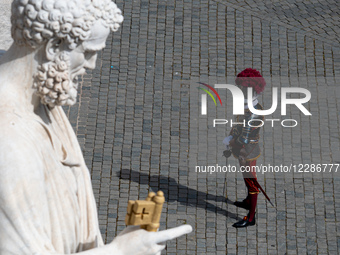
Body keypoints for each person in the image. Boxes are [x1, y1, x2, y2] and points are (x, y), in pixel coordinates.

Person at [0, 0, 192, 254]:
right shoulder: (10, 147)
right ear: (54, 46)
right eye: (88, 52)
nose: (91, 65)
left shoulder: (41, 96)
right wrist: (119, 251)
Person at [223, 68, 266, 228]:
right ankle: (249, 201)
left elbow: (244, 139)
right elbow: (238, 125)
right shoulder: (248, 106)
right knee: (247, 178)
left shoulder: (253, 113)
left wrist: (229, 141)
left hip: (247, 151)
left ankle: (251, 217)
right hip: (243, 149)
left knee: (251, 181)